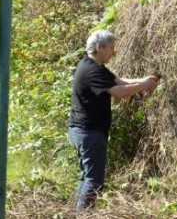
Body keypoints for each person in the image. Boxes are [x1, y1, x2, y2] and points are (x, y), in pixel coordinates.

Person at [69, 30, 160, 209]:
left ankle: (79, 216)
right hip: (89, 132)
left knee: (87, 177)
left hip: (84, 131)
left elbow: (117, 82)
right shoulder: (92, 70)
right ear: (99, 47)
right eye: (111, 48)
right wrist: (143, 86)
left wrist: (143, 81)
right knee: (94, 180)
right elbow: (119, 92)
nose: (114, 52)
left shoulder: (91, 66)